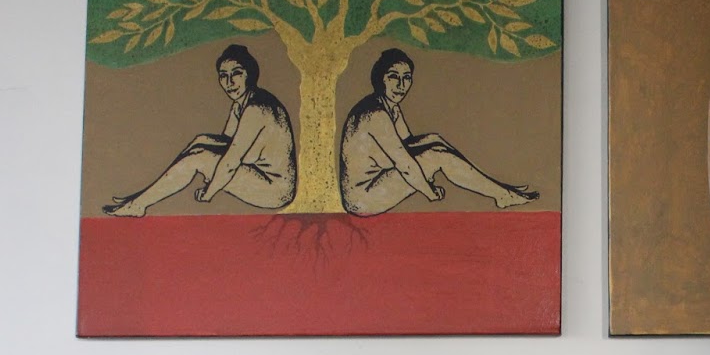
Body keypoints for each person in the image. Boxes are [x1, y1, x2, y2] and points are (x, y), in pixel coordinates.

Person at [339, 48, 539, 216]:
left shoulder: (391, 108)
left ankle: (499, 189)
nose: (401, 85)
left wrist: (433, 145)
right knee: (436, 157)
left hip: (378, 182)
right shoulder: (375, 115)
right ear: (380, 78)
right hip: (362, 199)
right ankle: (502, 195)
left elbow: (408, 144)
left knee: (434, 140)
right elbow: (406, 164)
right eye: (393, 77)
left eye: (406, 78)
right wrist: (430, 192)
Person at [104, 44, 296, 216]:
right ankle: (140, 197)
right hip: (257, 173)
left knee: (198, 158)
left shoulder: (256, 109)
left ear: (250, 74)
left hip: (275, 190)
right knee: (200, 141)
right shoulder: (240, 105)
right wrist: (202, 146)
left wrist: (209, 192)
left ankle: (139, 205)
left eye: (236, 73)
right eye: (223, 75)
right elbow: (226, 142)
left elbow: (230, 161)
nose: (229, 82)